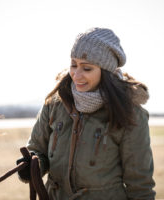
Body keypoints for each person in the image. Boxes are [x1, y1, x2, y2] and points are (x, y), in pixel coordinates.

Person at [17, 27, 156, 200]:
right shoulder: (54, 103)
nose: (76, 75)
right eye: (73, 65)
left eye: (87, 68)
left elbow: (140, 183)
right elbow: (38, 150)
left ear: (105, 71)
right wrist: (32, 166)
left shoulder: (130, 114)